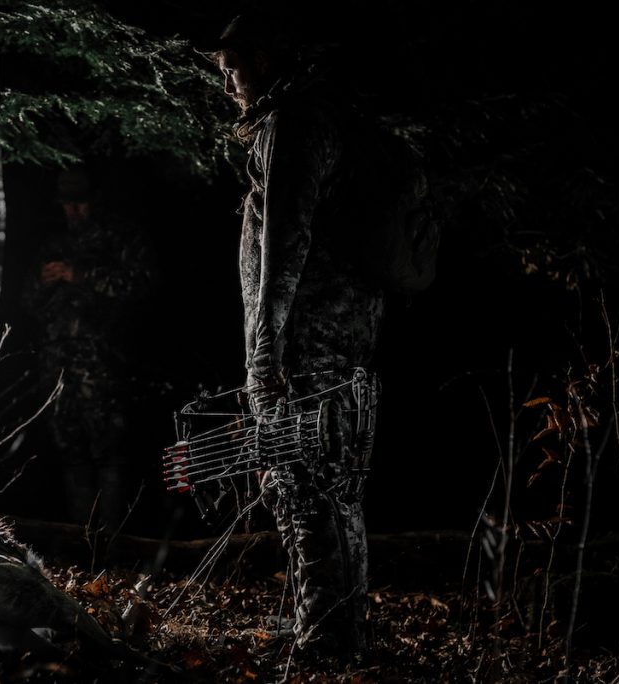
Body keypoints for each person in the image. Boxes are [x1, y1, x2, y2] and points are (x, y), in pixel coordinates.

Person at [203, 13, 386, 659]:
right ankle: (337, 629)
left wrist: (264, 352)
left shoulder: (296, 123)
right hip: (340, 330)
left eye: (234, 70)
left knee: (303, 483)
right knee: (333, 482)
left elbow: (287, 241)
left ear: (266, 58)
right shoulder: (334, 114)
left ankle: (327, 641)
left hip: (307, 336)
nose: (229, 84)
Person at [26, 167, 154, 531]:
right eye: (67, 204)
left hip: (103, 368)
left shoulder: (121, 238)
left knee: (110, 456)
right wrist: (42, 282)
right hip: (58, 370)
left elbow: (141, 284)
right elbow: (28, 304)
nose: (74, 211)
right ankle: (83, 548)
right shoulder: (53, 245)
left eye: (80, 203)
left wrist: (80, 275)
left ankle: (113, 546)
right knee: (71, 456)